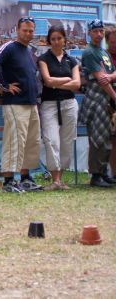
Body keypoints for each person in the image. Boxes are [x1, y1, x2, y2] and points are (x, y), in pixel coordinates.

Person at [0, 17, 42, 193]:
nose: (28, 33)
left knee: (30, 142)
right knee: (14, 142)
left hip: (31, 102)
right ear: (17, 30)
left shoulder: (28, 51)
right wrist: (4, 86)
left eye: (31, 30)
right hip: (15, 103)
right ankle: (9, 181)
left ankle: (25, 178)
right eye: (25, 30)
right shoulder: (10, 47)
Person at [37, 25, 81, 190]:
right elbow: (47, 81)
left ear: (64, 40)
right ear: (49, 41)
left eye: (59, 38)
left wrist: (57, 83)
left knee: (67, 141)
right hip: (49, 104)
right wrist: (67, 80)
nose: (56, 42)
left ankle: (59, 179)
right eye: (53, 39)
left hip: (69, 104)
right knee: (51, 140)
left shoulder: (72, 60)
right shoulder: (43, 59)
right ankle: (54, 179)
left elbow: (77, 84)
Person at [80, 19, 116, 187]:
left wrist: (110, 76)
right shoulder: (89, 52)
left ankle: (103, 172)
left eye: (101, 31)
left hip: (105, 100)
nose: (99, 34)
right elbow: (101, 80)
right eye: (95, 31)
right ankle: (95, 176)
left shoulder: (104, 52)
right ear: (89, 33)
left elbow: (111, 74)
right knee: (97, 139)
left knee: (106, 137)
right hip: (95, 100)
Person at [105, 27, 116, 180]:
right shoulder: (103, 55)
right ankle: (114, 173)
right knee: (113, 140)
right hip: (109, 100)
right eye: (112, 42)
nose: (114, 44)